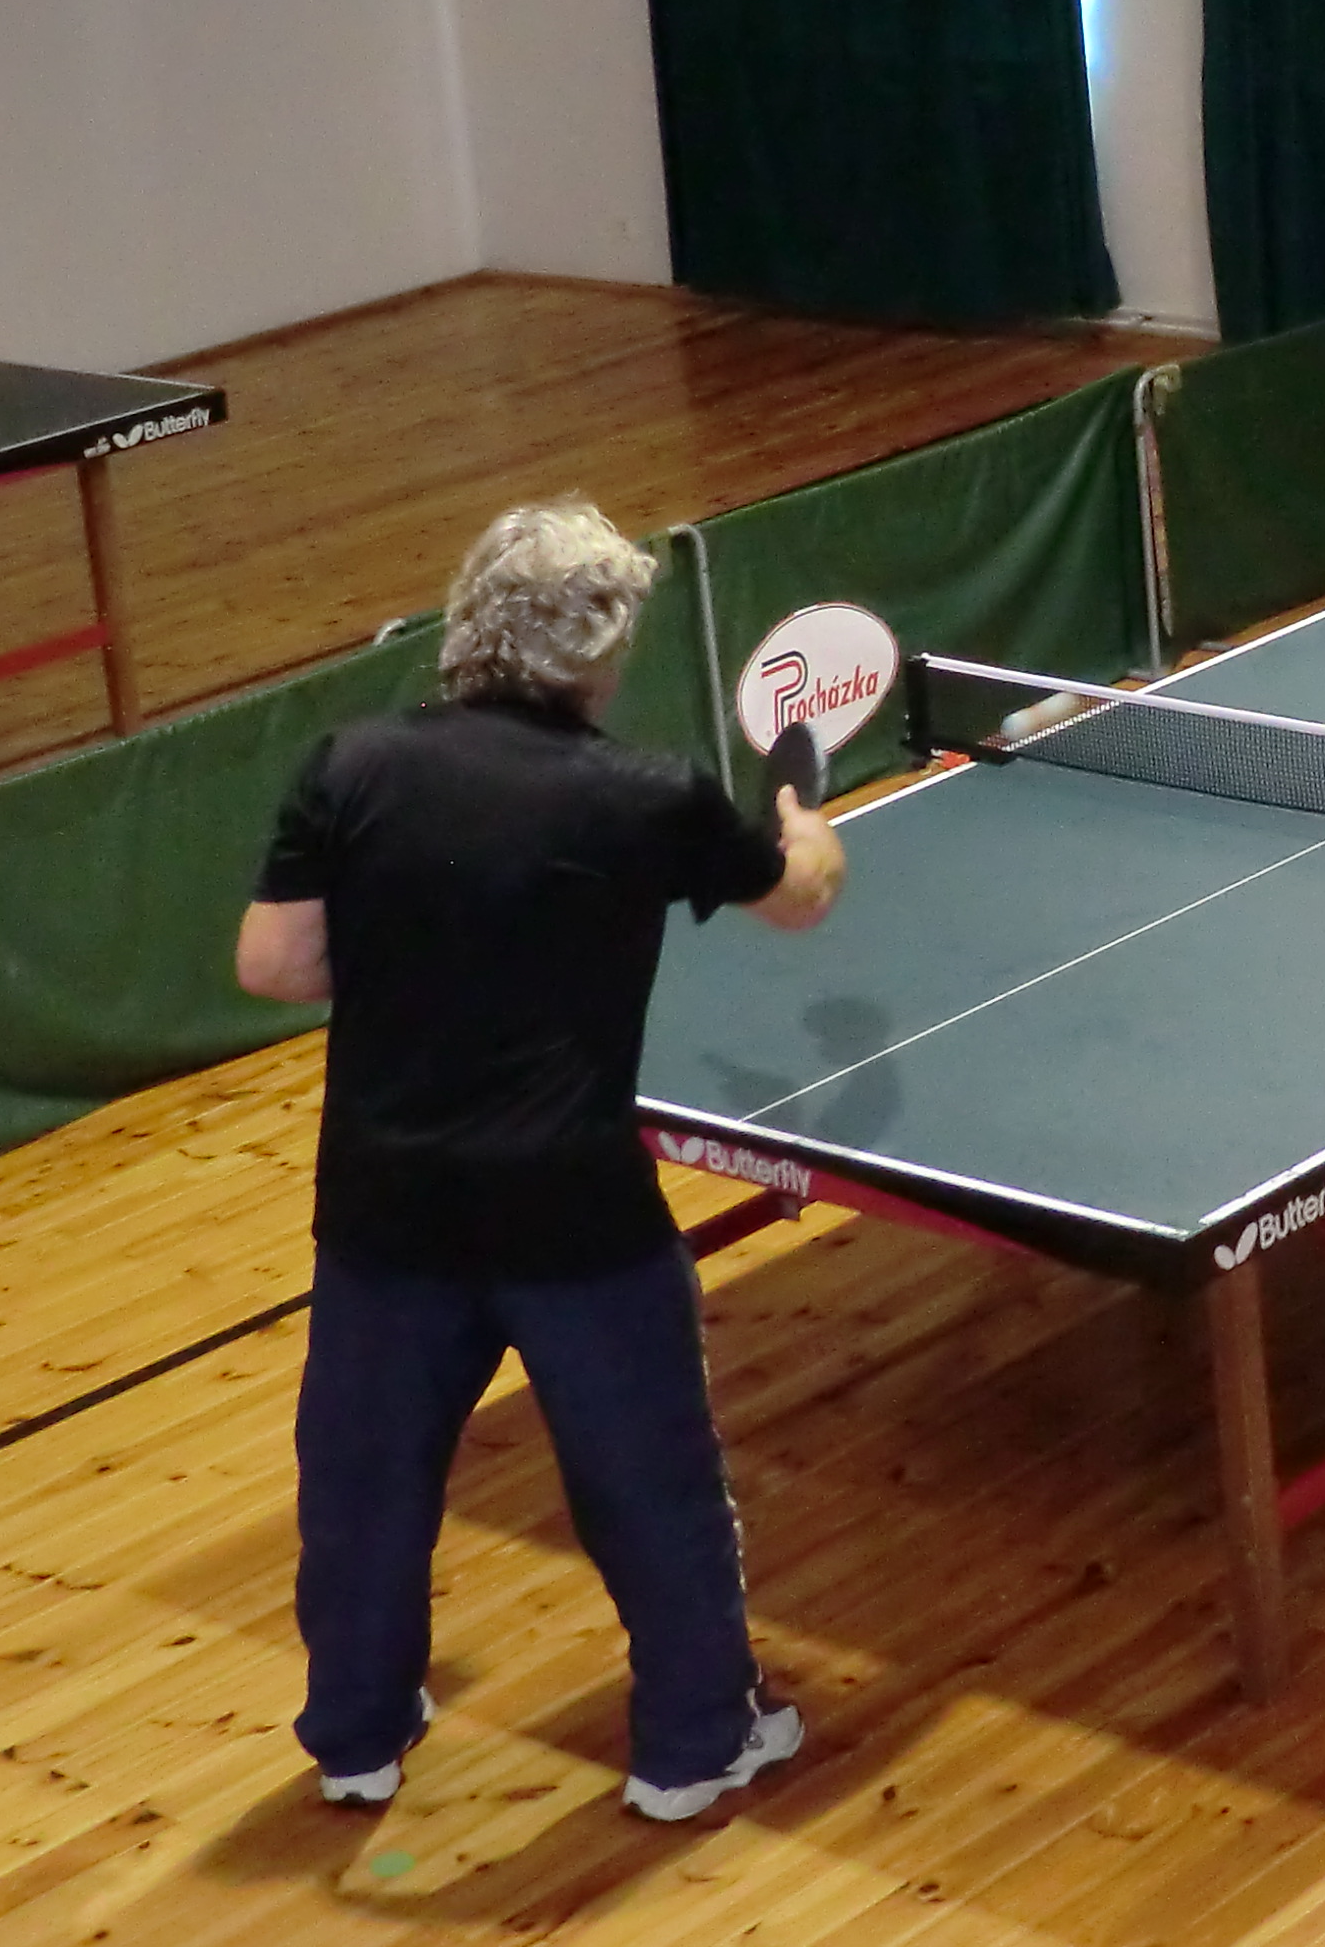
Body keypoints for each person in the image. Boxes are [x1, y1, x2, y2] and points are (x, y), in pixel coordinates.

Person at [236, 500, 846, 1823]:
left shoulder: (351, 763)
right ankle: (695, 1744)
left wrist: (426, 956)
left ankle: (356, 1734)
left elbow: (273, 963)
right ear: (599, 652)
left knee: (362, 1489)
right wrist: (809, 830)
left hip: (386, 1205)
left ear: (469, 623)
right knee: (652, 1489)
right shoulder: (649, 794)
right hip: (575, 1214)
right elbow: (796, 900)